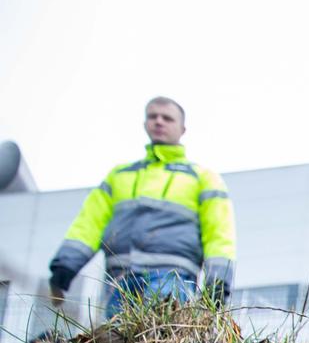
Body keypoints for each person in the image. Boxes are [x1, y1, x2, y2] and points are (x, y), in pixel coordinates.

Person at [48, 97, 236, 316]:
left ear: (182, 129)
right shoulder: (119, 176)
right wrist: (65, 266)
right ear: (144, 123)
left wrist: (218, 282)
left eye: (167, 118)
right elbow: (89, 223)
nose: (158, 121)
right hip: (120, 279)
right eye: (152, 116)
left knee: (162, 341)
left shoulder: (202, 178)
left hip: (172, 276)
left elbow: (220, 234)